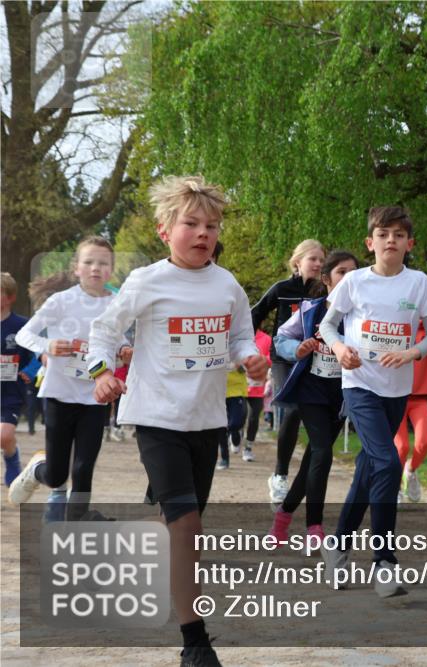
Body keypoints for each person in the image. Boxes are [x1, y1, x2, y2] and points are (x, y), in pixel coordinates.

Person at [85, 175, 267, 667]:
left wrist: (251, 359)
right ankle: (195, 643)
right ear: (166, 230)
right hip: (156, 418)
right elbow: (101, 333)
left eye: (211, 225)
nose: (203, 233)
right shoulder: (148, 281)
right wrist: (101, 375)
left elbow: (241, 339)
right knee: (187, 527)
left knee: (181, 529)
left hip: (205, 421)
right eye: (191, 223)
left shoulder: (226, 284)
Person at [318, 206, 427, 598]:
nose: (391, 240)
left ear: (410, 243)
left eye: (399, 234)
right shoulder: (354, 282)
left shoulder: (419, 283)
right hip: (359, 385)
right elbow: (327, 324)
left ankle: (337, 547)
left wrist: (411, 354)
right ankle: (384, 562)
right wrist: (340, 348)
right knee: (389, 461)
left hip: (398, 388)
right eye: (383, 233)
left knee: (368, 469)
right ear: (369, 242)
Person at [9, 238, 128, 521]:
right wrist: (47, 346)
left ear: (111, 270)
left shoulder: (116, 305)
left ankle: (76, 525)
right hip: (60, 395)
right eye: (88, 262)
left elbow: (119, 341)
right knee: (56, 474)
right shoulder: (61, 301)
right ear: (76, 268)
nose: (95, 268)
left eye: (103, 263)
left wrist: (124, 350)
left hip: (95, 396)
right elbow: (25, 335)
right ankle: (38, 468)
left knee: (84, 468)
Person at [268, 250, 357, 543]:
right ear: (327, 278)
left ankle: (283, 516)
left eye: (353, 272)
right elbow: (280, 339)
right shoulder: (310, 309)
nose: (349, 277)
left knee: (313, 460)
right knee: (322, 452)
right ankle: (313, 527)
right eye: (342, 272)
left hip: (342, 395)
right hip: (311, 391)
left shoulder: (362, 315)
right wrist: (297, 349)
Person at [252, 239, 325, 505]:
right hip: (284, 357)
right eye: (312, 259)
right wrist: (251, 349)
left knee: (314, 415)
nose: (317, 264)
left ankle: (309, 479)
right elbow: (255, 313)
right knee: (292, 409)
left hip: (315, 358)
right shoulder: (282, 289)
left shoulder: (324, 291)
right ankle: (280, 475)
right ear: (298, 262)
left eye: (321, 260)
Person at [394, 320, 427, 503]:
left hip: (420, 397)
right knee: (401, 447)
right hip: (396, 396)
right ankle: (395, 487)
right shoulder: (396, 322)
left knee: (423, 443)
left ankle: (410, 471)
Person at [1, 272, 35, 486]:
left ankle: (12, 458)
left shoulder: (22, 325)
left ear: (11, 297)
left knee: (4, 436)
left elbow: (38, 354)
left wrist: (30, 371)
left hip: (11, 391)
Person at [243, 328, 272, 459]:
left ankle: (248, 447)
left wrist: (262, 361)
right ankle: (235, 435)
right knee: (238, 417)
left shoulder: (266, 339)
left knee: (254, 418)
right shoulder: (237, 335)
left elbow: (271, 359)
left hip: (257, 387)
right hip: (238, 386)